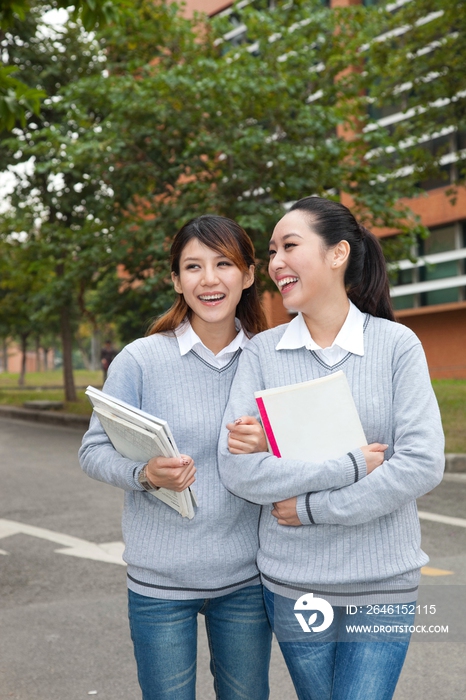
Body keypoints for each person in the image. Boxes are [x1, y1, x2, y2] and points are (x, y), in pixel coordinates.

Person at [218, 196, 445, 700]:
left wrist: (312, 508)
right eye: (273, 251)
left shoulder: (396, 344)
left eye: (289, 246)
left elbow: (422, 462)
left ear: (338, 253)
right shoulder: (261, 353)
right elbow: (239, 471)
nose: (275, 262)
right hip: (295, 582)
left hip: (383, 581)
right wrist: (351, 464)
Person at [79, 215, 272, 700]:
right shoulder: (140, 360)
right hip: (158, 581)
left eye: (223, 263)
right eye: (193, 267)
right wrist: (144, 474)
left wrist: (270, 445)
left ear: (248, 275)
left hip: (246, 578)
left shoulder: (270, 360)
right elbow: (93, 450)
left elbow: (296, 454)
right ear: (177, 281)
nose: (209, 279)